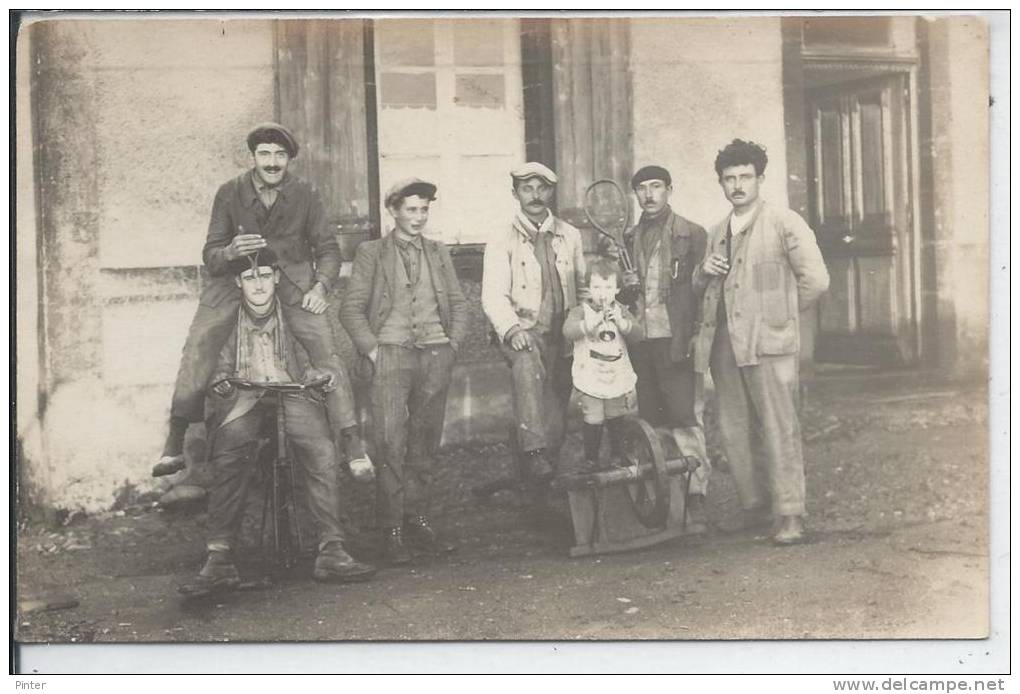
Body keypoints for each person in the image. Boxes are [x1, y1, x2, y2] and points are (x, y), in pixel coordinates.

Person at [154, 123, 372, 485]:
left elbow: (328, 249)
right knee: (200, 342)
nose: (272, 162)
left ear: (288, 159)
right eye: (265, 154)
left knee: (324, 349)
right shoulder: (229, 193)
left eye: (280, 155)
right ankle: (175, 439)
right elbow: (210, 253)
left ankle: (352, 443)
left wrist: (320, 287)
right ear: (253, 157)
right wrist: (229, 252)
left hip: (292, 283)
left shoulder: (306, 193)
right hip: (237, 280)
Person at [180, 249, 376, 596]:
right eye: (250, 278)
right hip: (245, 394)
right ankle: (219, 557)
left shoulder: (296, 314)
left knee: (321, 451)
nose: (259, 285)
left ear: (275, 278)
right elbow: (212, 362)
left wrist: (317, 375)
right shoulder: (226, 316)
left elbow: (316, 357)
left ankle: (332, 549)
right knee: (229, 456)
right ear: (239, 282)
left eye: (265, 276)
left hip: (292, 390)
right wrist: (221, 379)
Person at [692, 139, 829, 545]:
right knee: (735, 429)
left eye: (745, 177)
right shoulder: (716, 232)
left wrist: (779, 317)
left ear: (760, 179)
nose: (737, 185)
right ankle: (754, 507)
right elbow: (699, 288)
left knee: (778, 427)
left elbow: (816, 281)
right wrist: (703, 271)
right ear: (721, 183)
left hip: (769, 343)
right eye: (729, 179)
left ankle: (790, 515)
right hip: (725, 346)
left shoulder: (785, 223)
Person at [339, 179, 468, 565]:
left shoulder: (438, 252)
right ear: (392, 211)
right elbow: (351, 309)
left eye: (424, 209)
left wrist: (451, 346)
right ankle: (390, 529)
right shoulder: (371, 253)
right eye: (410, 209)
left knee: (424, 442)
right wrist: (375, 351)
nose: (418, 217)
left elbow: (459, 304)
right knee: (391, 442)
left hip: (434, 355)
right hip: (391, 356)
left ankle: (418, 519)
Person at [481, 162, 586, 500]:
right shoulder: (502, 237)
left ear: (551, 192)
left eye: (542, 188)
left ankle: (540, 484)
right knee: (527, 369)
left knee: (557, 405)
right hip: (523, 330)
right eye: (527, 188)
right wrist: (511, 329)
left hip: (564, 333)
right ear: (516, 194)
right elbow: (492, 294)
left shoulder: (570, 235)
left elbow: (581, 286)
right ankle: (534, 453)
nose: (535, 195)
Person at [621, 165, 712, 526]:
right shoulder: (627, 239)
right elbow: (618, 295)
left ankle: (697, 493)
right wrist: (623, 285)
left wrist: (696, 334)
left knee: (685, 417)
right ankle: (667, 494)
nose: (649, 194)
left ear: (670, 189)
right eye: (642, 188)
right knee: (651, 417)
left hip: (676, 341)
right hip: (641, 341)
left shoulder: (692, 234)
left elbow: (704, 291)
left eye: (656, 186)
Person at [562, 259, 643, 472]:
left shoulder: (621, 310)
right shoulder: (580, 311)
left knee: (616, 413)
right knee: (593, 416)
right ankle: (591, 459)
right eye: (596, 287)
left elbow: (638, 335)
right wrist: (590, 323)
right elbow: (568, 331)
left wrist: (622, 322)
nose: (602, 293)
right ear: (588, 288)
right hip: (591, 372)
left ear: (616, 289)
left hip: (615, 371)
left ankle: (618, 454)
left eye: (608, 287)